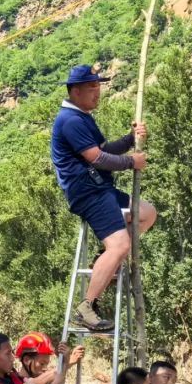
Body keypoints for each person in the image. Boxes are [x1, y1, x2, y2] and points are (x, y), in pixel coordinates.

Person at [50, 64, 157, 330]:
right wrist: (132, 161)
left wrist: (130, 139)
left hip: (100, 188)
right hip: (89, 192)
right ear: (75, 91)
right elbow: (96, 158)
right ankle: (87, 306)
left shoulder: (82, 117)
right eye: (91, 88)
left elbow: (103, 149)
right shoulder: (71, 120)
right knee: (120, 246)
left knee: (146, 213)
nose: (97, 93)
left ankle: (103, 261)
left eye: (99, 87)